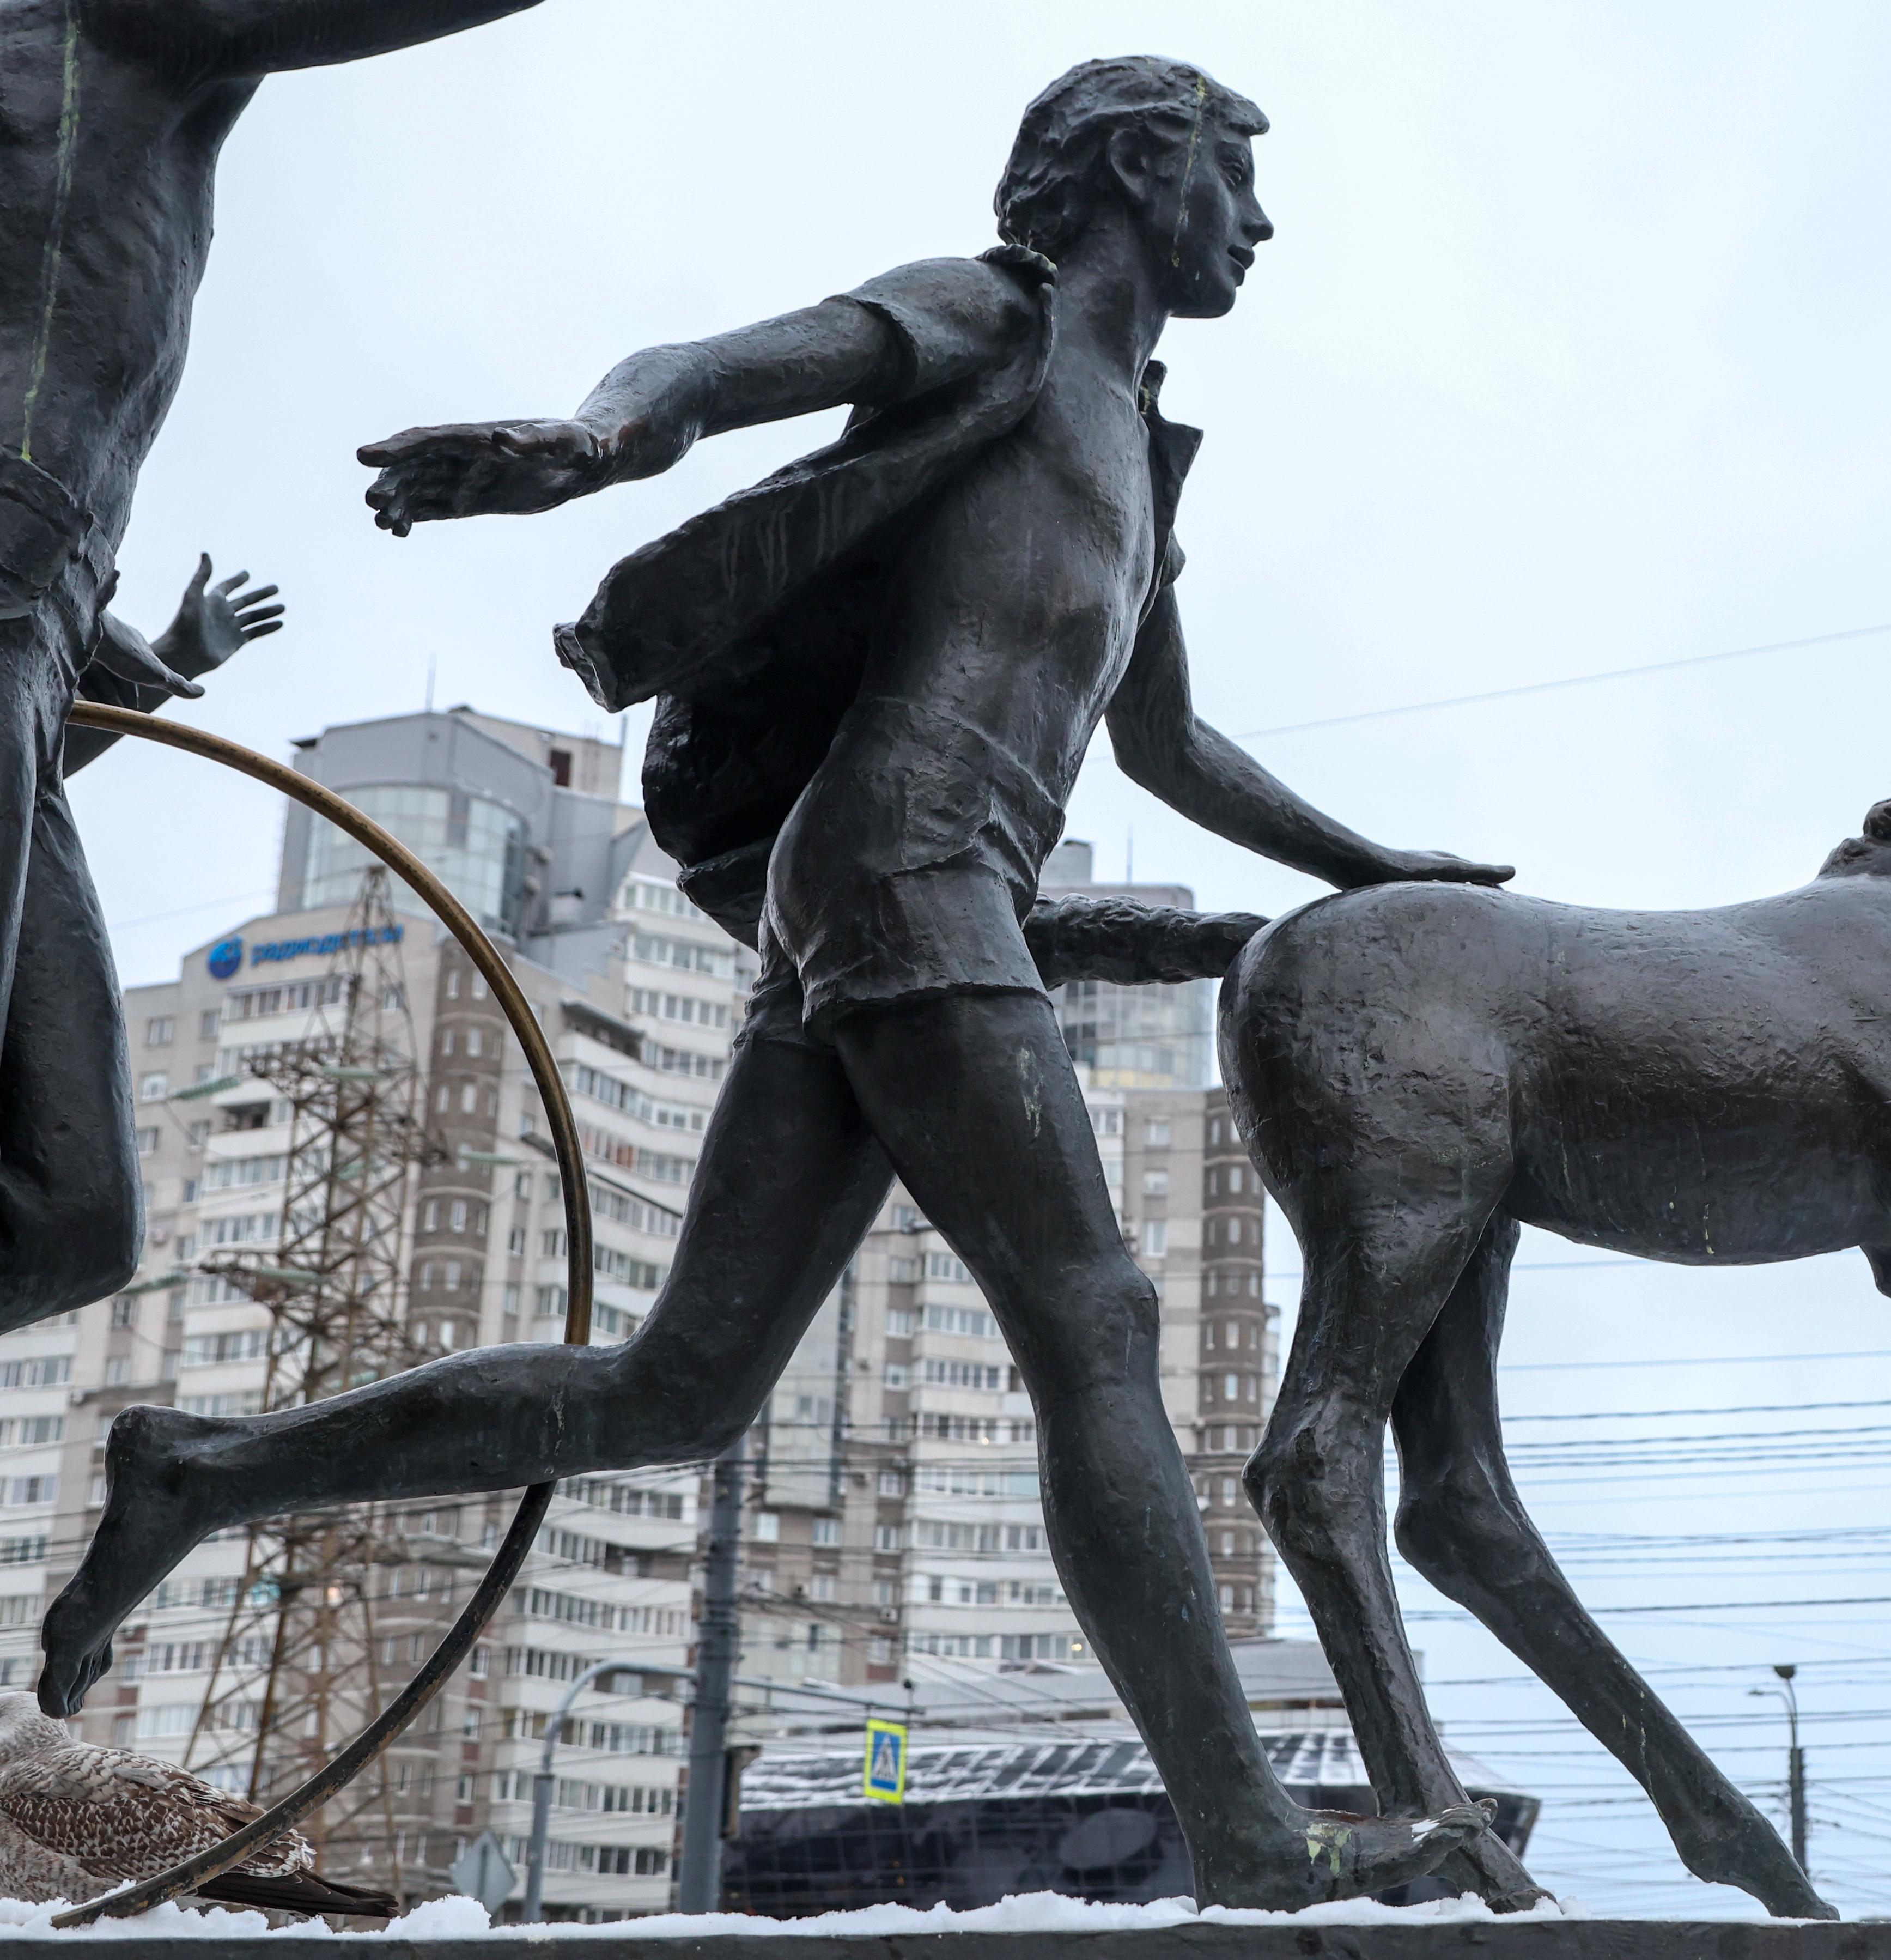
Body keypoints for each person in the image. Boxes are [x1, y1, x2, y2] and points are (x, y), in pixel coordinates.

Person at [46, 56, 1533, 1908]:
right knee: (1096, 1310)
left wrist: (1375, 869)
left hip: (891, 893)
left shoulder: (1138, 458)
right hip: (906, 870)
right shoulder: (993, 319)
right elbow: (715, 368)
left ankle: (200, 1469)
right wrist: (582, 445)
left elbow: (1167, 744)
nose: (1260, 219)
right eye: (1235, 175)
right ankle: (1245, 1827)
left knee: (680, 1384)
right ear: (1137, 170)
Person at [0, 0, 539, 1329]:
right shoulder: (101, 17)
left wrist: (138, 650)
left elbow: (39, 750)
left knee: (76, 1212)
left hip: (37, 608)